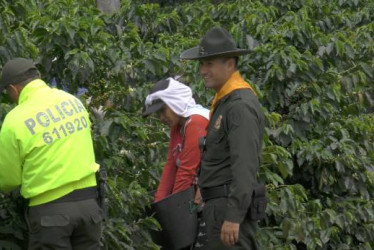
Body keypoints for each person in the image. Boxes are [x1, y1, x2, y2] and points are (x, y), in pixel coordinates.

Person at [0, 58, 102, 249]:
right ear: (37, 77)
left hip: (50, 214)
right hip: (89, 207)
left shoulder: (15, 120)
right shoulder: (72, 101)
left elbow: (8, 180)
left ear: (13, 89)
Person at [180, 27, 265, 249]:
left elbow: (244, 165)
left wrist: (234, 216)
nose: (202, 70)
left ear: (230, 64)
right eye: (201, 64)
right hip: (219, 206)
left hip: (228, 208)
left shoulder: (239, 106)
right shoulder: (225, 102)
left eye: (209, 63)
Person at [143, 77, 209, 203]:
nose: (161, 118)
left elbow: (186, 171)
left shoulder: (196, 122)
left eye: (163, 110)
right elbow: (171, 166)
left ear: (175, 101)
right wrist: (159, 203)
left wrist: (174, 206)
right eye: (158, 114)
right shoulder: (177, 126)